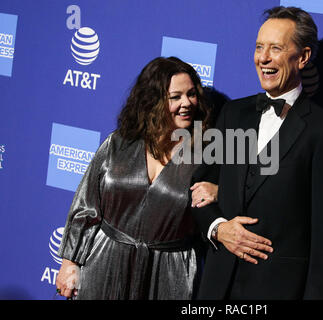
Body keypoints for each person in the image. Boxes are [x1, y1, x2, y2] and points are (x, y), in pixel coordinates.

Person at [191, 6, 323, 299]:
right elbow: (197, 192)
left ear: (304, 57)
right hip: (217, 289)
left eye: (276, 48)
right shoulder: (233, 114)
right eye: (259, 47)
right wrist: (218, 228)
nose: (263, 58)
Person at [55, 56, 218, 300]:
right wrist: (70, 262)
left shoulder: (208, 153)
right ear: (153, 101)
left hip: (170, 272)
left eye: (192, 94)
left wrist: (220, 190)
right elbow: (86, 207)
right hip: (105, 262)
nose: (187, 103)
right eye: (175, 97)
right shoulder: (118, 143)